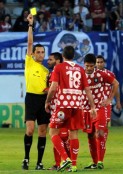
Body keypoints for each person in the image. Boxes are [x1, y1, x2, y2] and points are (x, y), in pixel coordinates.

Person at [45, 46, 97, 172]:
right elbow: (87, 90)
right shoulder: (80, 69)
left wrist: (48, 101)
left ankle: (65, 159)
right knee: (73, 134)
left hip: (63, 105)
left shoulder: (59, 67)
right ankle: (73, 165)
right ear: (74, 56)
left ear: (63, 56)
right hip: (77, 106)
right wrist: (93, 106)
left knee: (52, 132)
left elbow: (53, 87)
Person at [22, 13, 50, 170]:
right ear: (33, 54)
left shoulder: (46, 71)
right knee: (30, 129)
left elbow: (50, 87)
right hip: (31, 99)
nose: (40, 54)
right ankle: (26, 159)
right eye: (38, 52)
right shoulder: (30, 63)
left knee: (42, 131)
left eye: (42, 52)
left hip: (43, 100)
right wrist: (30, 25)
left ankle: (39, 162)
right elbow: (30, 42)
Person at [82, 54, 119, 170]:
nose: (89, 68)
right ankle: (94, 162)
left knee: (100, 133)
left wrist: (109, 99)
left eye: (91, 66)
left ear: (95, 66)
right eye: (87, 66)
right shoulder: (80, 75)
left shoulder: (101, 74)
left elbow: (116, 83)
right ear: (84, 64)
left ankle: (100, 162)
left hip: (99, 108)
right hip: (86, 109)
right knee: (90, 135)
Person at [44, 52, 70, 171]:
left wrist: (49, 90)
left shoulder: (64, 72)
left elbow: (60, 88)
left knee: (63, 136)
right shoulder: (50, 74)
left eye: (50, 59)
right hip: (54, 107)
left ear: (58, 60)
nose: (48, 61)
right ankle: (58, 163)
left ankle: (68, 162)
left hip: (63, 106)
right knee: (57, 137)